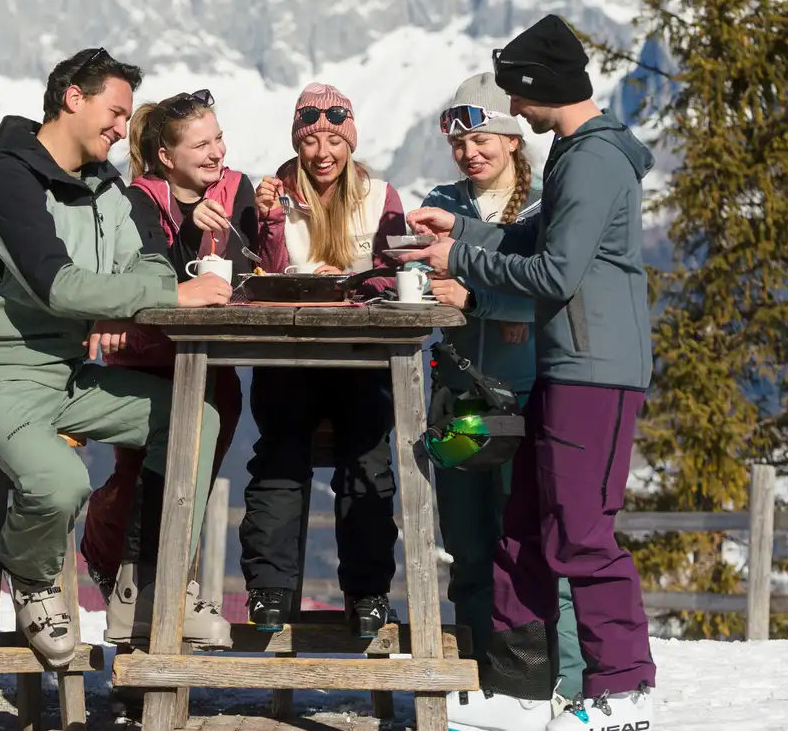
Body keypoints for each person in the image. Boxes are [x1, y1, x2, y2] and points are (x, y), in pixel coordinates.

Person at [0, 48, 232, 666]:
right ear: (74, 97)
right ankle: (32, 574)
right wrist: (169, 294)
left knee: (194, 416)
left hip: (61, 376)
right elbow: (57, 286)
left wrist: (144, 285)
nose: (124, 129)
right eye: (116, 113)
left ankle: (144, 581)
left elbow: (146, 254)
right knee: (61, 481)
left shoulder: (106, 188)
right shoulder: (9, 180)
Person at [404, 16, 656, 731]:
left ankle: (619, 689)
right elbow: (529, 236)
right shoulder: (576, 154)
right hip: (566, 364)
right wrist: (461, 233)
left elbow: (553, 271)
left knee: (581, 532)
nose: (513, 108)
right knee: (521, 527)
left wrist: (460, 264)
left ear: (543, 87)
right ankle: (517, 689)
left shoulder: (593, 159)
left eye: (517, 94)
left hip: (597, 369)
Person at [421, 72, 583, 704]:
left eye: (484, 136)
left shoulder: (545, 205)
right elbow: (426, 281)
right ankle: (478, 681)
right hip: (458, 399)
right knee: (466, 545)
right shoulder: (443, 200)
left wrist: (480, 298)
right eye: (460, 142)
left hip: (525, 401)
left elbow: (550, 291)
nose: (472, 152)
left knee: (534, 544)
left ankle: (556, 680)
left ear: (514, 138)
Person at [81, 89, 257, 652]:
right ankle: (141, 588)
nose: (216, 152)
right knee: (149, 481)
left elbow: (253, 265)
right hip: (148, 360)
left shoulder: (239, 187)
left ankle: (156, 592)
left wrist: (250, 227)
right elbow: (153, 267)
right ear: (166, 156)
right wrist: (185, 219)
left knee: (192, 486)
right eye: (200, 144)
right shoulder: (138, 198)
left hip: (212, 362)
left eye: (218, 138)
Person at [239, 82, 407, 638]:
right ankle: (269, 591)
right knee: (279, 458)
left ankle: (368, 594)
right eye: (311, 142)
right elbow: (258, 276)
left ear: (350, 141)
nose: (323, 153)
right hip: (287, 352)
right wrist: (264, 221)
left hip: (360, 354)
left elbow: (392, 270)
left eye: (334, 139)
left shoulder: (380, 195)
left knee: (368, 462)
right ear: (298, 145)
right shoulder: (275, 196)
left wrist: (356, 290)